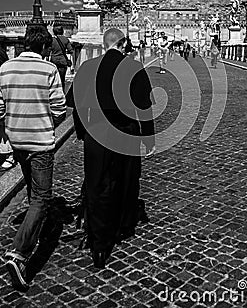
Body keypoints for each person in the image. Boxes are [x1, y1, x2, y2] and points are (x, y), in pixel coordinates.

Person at [71, 28, 155, 269]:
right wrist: (148, 138)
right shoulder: (133, 67)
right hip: (126, 131)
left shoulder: (88, 67)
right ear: (123, 43)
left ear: (104, 43)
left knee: (96, 183)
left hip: (96, 131)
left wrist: (81, 132)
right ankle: (122, 225)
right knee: (125, 178)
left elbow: (76, 103)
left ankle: (99, 245)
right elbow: (144, 108)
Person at [1, 25, 66, 291]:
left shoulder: (4, 69)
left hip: (16, 141)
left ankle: (42, 225)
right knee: (41, 197)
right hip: (40, 143)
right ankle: (19, 253)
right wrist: (48, 123)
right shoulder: (49, 70)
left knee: (32, 190)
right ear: (45, 47)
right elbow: (60, 107)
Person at [49, 25, 73, 92]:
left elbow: (49, 50)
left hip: (54, 61)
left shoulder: (52, 40)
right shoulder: (65, 39)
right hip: (63, 61)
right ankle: (62, 93)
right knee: (62, 79)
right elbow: (71, 50)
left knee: (54, 79)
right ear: (62, 31)